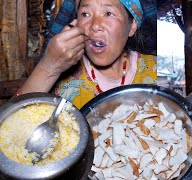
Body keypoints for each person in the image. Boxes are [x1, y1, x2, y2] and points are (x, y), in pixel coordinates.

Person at [19, 0, 157, 109]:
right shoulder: (62, 81)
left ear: (132, 26)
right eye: (85, 14)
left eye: (108, 13)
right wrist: (49, 67)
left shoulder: (154, 70)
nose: (95, 25)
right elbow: (12, 131)